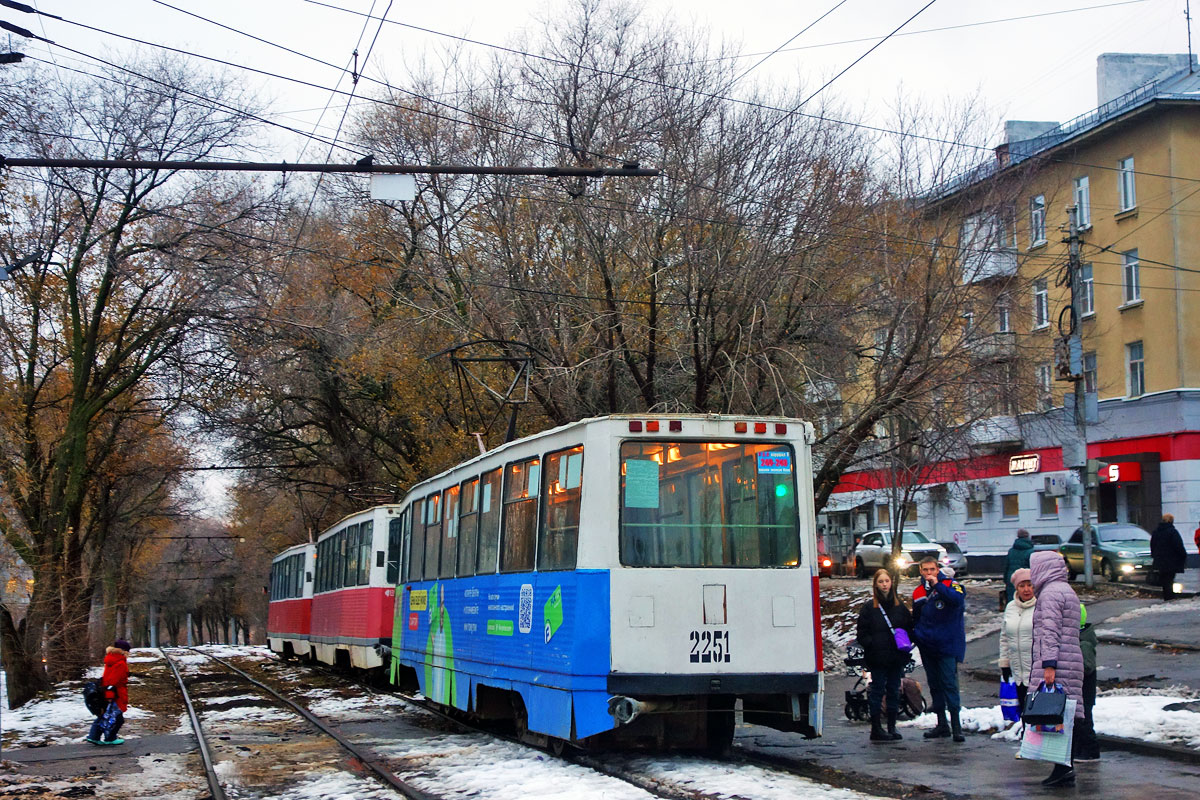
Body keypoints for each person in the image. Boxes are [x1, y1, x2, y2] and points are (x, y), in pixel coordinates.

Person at [1029, 551, 1084, 788]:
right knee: (1066, 717)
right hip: (1071, 660)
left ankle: (1063, 769)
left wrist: (1048, 664)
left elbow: (1050, 632)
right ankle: (1063, 768)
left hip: (1058, 663)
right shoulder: (1066, 590)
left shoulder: (1050, 594)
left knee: (1056, 715)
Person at [912, 555, 966, 743]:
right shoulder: (918, 591)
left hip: (947, 645)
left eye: (932, 570)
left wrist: (938, 585)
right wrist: (917, 636)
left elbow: (957, 600)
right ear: (920, 571)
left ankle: (957, 727)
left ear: (938, 569)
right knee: (935, 686)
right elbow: (917, 617)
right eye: (925, 570)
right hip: (928, 646)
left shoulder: (951, 585)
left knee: (949, 684)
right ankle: (942, 724)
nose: (929, 573)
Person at [856, 569, 914, 742]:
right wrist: (873, 645)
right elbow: (862, 633)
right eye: (881, 581)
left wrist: (906, 643)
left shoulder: (899, 607)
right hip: (878, 657)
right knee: (877, 690)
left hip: (895, 657)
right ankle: (876, 728)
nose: (884, 585)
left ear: (891, 583)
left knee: (894, 690)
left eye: (887, 581)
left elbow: (909, 627)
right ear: (875, 584)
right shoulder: (869, 608)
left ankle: (891, 726)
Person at [999, 567, 1036, 717]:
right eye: (1022, 586)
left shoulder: (1041, 606)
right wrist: (1004, 664)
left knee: (1037, 713)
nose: (1026, 589)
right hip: (1017, 671)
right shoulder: (1010, 607)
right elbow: (1004, 637)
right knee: (1022, 711)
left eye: (1029, 585)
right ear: (1016, 588)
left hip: (1036, 671)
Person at [86, 639, 130, 746]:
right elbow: (113, 681)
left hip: (108, 692)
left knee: (104, 715)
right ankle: (110, 738)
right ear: (123, 651)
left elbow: (108, 678)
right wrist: (110, 695)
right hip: (116, 694)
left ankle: (94, 736)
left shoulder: (111, 660)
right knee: (117, 718)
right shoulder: (120, 663)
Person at [1076, 604, 1100, 761]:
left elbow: (1087, 667)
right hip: (1081, 688)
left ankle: (1090, 750)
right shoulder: (1082, 638)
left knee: (1085, 720)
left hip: (1084, 688)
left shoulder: (1084, 643)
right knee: (1080, 720)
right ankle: (1082, 749)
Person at [1150, 514, 1187, 601]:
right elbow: (1178, 545)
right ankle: (1170, 596)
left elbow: (1152, 545)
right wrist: (1183, 555)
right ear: (1171, 521)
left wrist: (1155, 556)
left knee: (1164, 578)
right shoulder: (1172, 532)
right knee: (1170, 578)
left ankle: (1166, 595)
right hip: (1171, 560)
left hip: (1160, 560)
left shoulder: (1156, 532)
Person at [1003, 529, 1034, 603]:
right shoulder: (1031, 551)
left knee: (1012, 602)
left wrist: (1006, 579)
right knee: (1026, 602)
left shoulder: (1011, 551)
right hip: (1026, 580)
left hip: (1012, 579)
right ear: (1028, 537)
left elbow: (1006, 566)